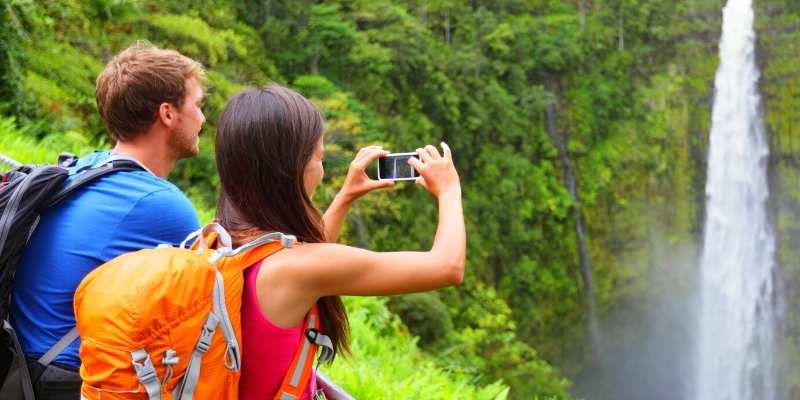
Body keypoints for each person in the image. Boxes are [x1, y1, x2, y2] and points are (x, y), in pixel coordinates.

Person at [214, 85, 465, 400]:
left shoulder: (220, 241)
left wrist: (346, 196)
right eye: (319, 158)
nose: (320, 170)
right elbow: (447, 266)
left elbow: (308, 259)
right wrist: (450, 189)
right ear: (292, 169)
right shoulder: (296, 270)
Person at [9, 43, 205, 399]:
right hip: (65, 379)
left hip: (20, 362)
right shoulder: (162, 206)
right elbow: (226, 299)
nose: (203, 119)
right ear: (168, 113)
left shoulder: (86, 166)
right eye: (198, 105)